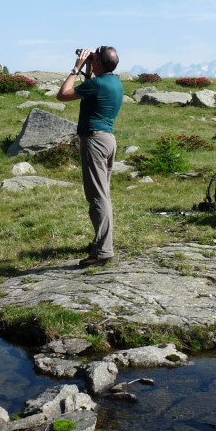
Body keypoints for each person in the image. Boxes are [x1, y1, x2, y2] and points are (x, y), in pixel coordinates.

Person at [57, 46, 123, 267]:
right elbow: (92, 88)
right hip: (108, 140)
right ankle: (101, 243)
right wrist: (89, 68)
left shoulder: (96, 83)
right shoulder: (115, 82)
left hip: (94, 141)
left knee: (97, 198)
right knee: (102, 195)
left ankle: (103, 251)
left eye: (94, 58)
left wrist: (76, 68)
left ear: (100, 64)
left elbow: (63, 95)